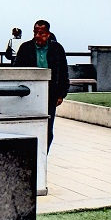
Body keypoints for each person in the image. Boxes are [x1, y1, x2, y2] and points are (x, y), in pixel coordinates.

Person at [15, 20, 69, 149]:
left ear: (48, 34)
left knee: (47, 129)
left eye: (41, 33)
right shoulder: (25, 48)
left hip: (50, 94)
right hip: (30, 94)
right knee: (29, 127)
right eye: (36, 32)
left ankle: (43, 155)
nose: (38, 36)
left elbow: (63, 72)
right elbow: (16, 70)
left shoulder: (57, 49)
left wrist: (61, 94)